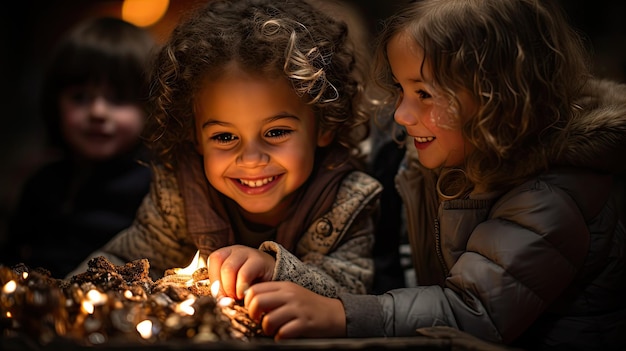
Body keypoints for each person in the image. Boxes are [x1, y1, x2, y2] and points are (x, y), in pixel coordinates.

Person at [237, 0, 626, 349]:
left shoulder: (553, 194)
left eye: (424, 93)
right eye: (401, 90)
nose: (403, 115)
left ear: (500, 97)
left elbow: (473, 312)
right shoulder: (451, 156)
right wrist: (286, 273)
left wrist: (340, 314)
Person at [68, 0, 382, 300]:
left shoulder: (345, 199)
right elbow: (121, 260)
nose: (250, 159)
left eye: (276, 132)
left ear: (324, 126)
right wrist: (63, 296)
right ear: (195, 136)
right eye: (224, 137)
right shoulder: (180, 195)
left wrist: (275, 270)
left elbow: (351, 290)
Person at [0, 17, 156, 278]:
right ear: (54, 103)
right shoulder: (42, 182)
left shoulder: (152, 188)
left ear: (150, 107)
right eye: (80, 97)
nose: (97, 112)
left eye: (118, 99)